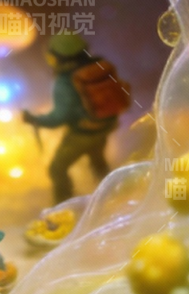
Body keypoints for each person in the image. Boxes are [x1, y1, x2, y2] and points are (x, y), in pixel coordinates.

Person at [23, 32, 129, 205]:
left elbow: (59, 117)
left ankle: (64, 206)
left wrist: (34, 119)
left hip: (83, 132)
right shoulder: (98, 66)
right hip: (106, 125)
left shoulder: (65, 81)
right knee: (97, 159)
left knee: (57, 168)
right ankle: (114, 195)